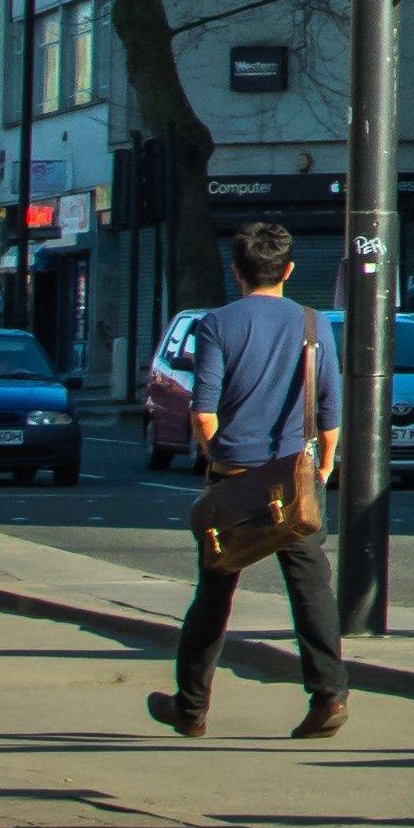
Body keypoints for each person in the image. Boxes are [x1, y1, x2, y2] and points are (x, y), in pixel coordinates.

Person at [150, 220, 351, 740]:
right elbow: (330, 409)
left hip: (235, 477)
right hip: (294, 475)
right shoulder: (314, 324)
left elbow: (203, 413)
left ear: (236, 272)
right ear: (288, 270)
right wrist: (324, 467)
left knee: (214, 590)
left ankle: (191, 707)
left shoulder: (217, 324)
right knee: (311, 588)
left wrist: (219, 456)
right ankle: (329, 694)